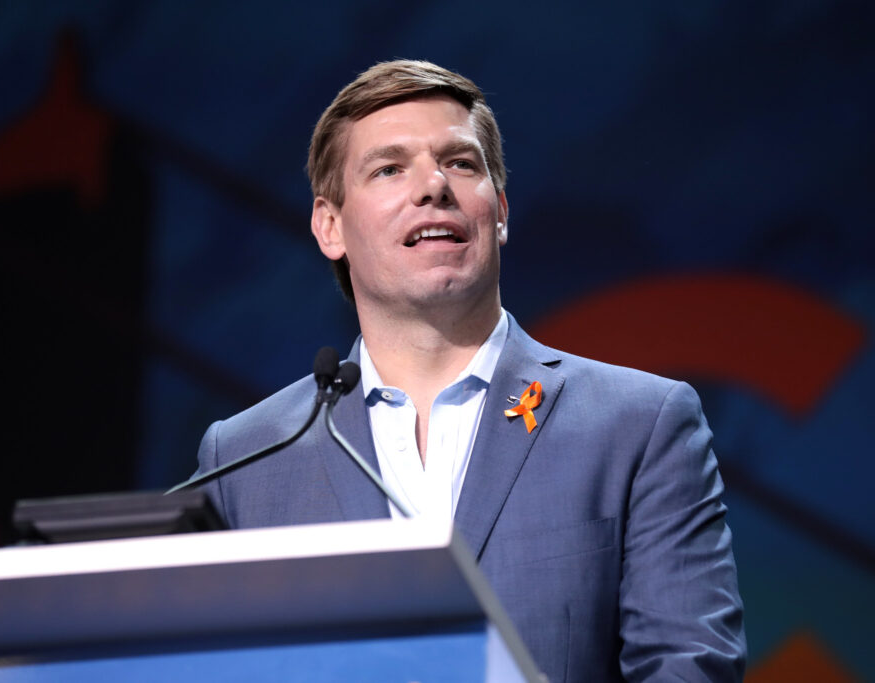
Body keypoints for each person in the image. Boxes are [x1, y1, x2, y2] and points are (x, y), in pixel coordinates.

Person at [193, 60, 746, 681]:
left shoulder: (639, 426)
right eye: (389, 168)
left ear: (500, 211)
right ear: (330, 226)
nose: (433, 185)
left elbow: (690, 668)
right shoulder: (246, 458)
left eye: (460, 163)